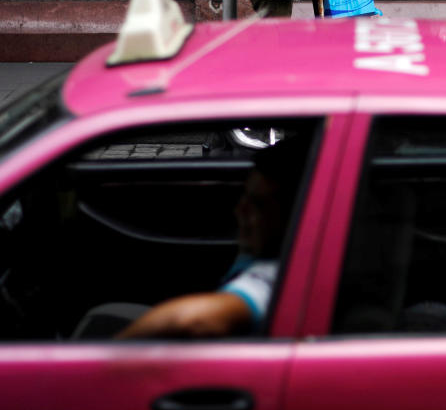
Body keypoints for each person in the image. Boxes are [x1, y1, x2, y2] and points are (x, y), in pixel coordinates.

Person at [113, 138, 309, 339]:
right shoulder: (265, 252)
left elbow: (191, 320)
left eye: (258, 205)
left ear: (295, 214)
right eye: (244, 198)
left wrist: (113, 351)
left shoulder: (276, 275)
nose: (240, 211)